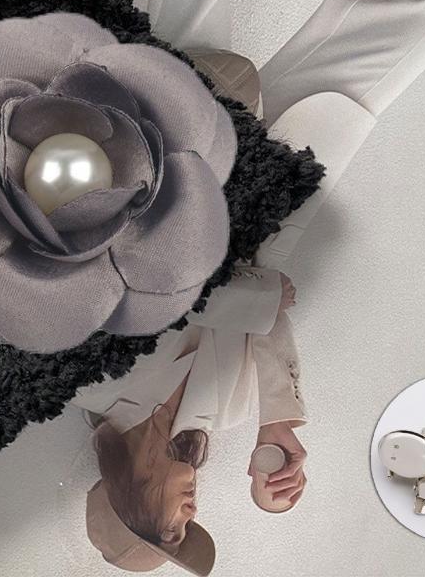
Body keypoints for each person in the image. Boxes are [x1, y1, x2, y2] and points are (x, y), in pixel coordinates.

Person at [76, 53, 315, 576]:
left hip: (179, 157)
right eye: (188, 530)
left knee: (223, 62)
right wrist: (276, 423)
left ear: (130, 500)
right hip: (268, 189)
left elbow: (138, 280)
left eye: (171, 529)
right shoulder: (226, 411)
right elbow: (270, 320)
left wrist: (256, 299)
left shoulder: (90, 385)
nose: (190, 514)